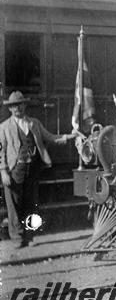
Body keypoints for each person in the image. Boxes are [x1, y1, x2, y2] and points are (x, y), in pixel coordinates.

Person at [0, 91, 78, 247]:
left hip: (32, 168)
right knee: (13, 204)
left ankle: (29, 237)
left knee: (31, 202)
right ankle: (17, 237)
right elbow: (1, 151)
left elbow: (50, 137)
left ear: (25, 106)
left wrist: (69, 136)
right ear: (10, 109)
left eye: (20, 105)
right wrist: (3, 171)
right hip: (15, 169)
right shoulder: (4, 127)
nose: (18, 109)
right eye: (14, 106)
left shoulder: (34, 123)